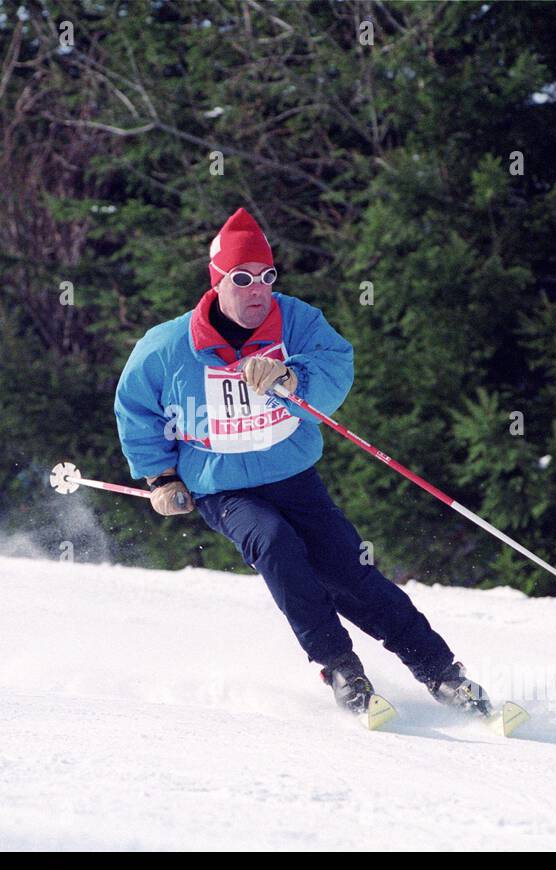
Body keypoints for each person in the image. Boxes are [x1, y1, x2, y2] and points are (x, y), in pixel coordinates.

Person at [114, 207, 489, 720]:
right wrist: (160, 476)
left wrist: (292, 378)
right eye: (242, 279)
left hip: (293, 476)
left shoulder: (296, 321)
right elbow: (135, 409)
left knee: (351, 574)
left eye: (267, 277)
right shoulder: (166, 347)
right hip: (223, 489)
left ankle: (444, 675)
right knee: (275, 544)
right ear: (218, 282)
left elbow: (337, 363)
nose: (257, 290)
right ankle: (341, 669)